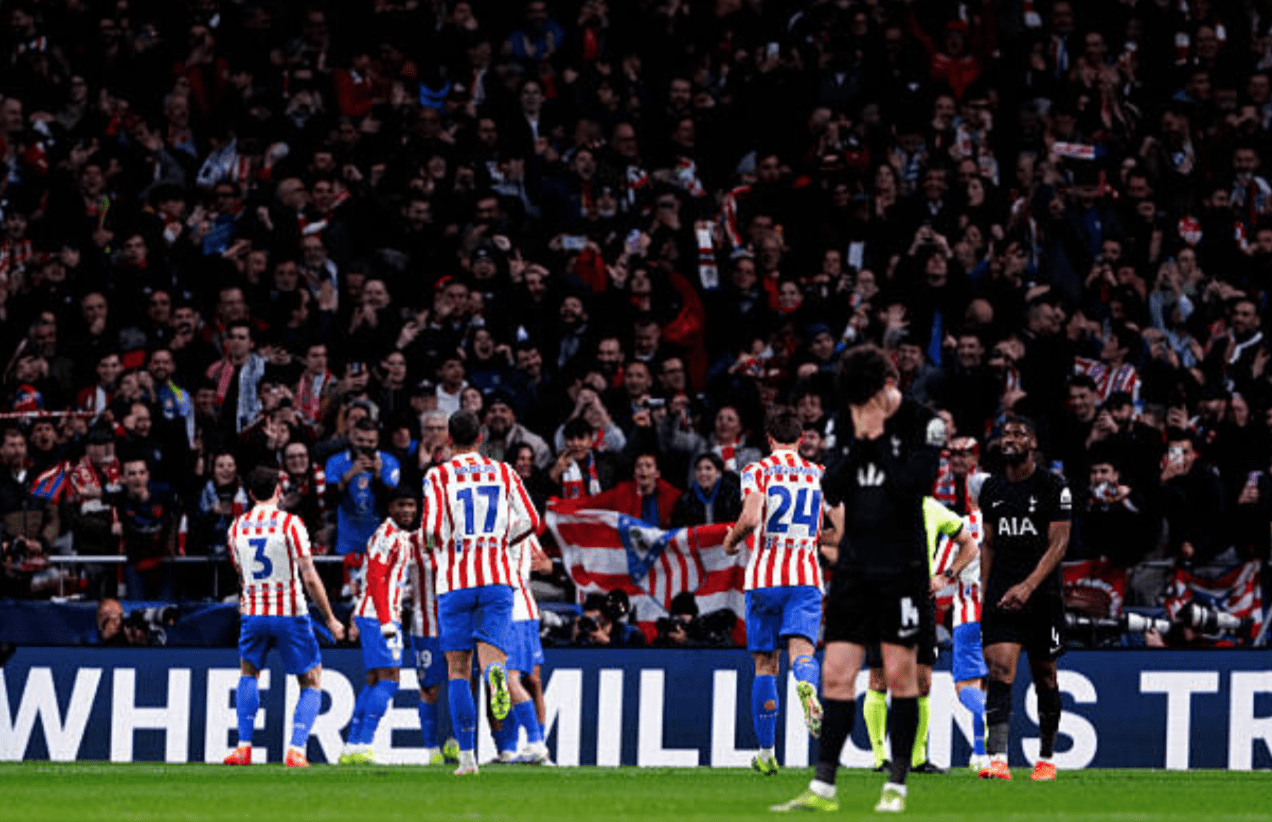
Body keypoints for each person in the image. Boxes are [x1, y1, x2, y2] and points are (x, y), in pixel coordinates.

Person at [775, 345, 943, 814]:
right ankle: (823, 787)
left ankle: (896, 785)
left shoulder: (924, 421)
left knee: (898, 675)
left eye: (865, 397)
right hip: (852, 567)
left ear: (889, 384)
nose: (860, 406)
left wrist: (873, 441)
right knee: (835, 674)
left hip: (902, 568)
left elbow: (914, 485)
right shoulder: (849, 418)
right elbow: (832, 486)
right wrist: (862, 440)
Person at [421, 410, 541, 775]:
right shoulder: (504, 472)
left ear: (448, 440)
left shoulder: (439, 474)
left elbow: (431, 529)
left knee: (458, 670)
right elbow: (532, 520)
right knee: (493, 663)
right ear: (480, 437)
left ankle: (468, 758)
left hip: (455, 582)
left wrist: (442, 550)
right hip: (498, 578)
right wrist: (501, 541)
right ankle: (495, 677)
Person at [722, 407, 826, 777]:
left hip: (765, 577)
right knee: (802, 651)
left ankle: (766, 752)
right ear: (801, 439)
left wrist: (731, 541)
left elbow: (750, 518)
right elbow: (838, 528)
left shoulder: (756, 471)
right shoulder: (818, 474)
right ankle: (807, 688)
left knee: (765, 664)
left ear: (769, 439)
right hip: (805, 575)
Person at [223, 467, 345, 767]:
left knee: (248, 673)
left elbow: (240, 573)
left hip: (253, 612)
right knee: (311, 679)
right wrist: (330, 618)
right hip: (289, 612)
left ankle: (243, 746)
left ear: (250, 494)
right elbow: (309, 576)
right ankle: (296, 749)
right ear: (278, 491)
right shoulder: (290, 524)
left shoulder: (236, 527)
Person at [978, 417, 1072, 781]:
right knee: (1000, 670)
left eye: (1018, 434)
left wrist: (1029, 587)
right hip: (1002, 592)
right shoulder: (990, 488)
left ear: (1032, 441)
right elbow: (987, 542)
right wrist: (985, 594)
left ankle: (1046, 758)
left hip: (1042, 595)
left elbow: (1059, 543)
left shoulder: (1053, 486)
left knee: (1045, 676)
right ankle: (998, 760)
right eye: (1005, 434)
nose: (1010, 440)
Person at [863, 497, 979, 774]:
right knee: (879, 677)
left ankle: (917, 758)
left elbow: (970, 545)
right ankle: (880, 758)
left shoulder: (932, 508)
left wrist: (945, 576)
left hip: (919, 601)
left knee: (923, 680)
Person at [340, 486, 418, 765]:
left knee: (374, 680)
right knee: (390, 680)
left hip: (375, 613)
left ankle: (352, 746)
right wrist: (386, 621)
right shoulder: (386, 536)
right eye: (401, 505)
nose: (407, 510)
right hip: (379, 616)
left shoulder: (400, 536)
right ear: (390, 508)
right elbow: (375, 578)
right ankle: (364, 743)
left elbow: (383, 579)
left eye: (411, 505)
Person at [492, 532, 552, 764]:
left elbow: (546, 565)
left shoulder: (518, 528)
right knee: (502, 683)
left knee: (518, 680)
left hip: (514, 614)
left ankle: (537, 743)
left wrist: (539, 564)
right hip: (513, 614)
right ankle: (511, 749)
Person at [324, 418, 401, 555]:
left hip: (380, 541)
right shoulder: (335, 461)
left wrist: (377, 475)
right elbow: (330, 499)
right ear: (351, 437)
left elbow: (391, 501)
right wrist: (350, 474)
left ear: (377, 442)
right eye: (360, 440)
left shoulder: (389, 462)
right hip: (347, 542)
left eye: (370, 442)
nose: (365, 445)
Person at [408, 527, 450, 766]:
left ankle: (457, 739)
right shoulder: (410, 540)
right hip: (425, 626)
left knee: (464, 680)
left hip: (457, 623)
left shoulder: (457, 534)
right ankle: (432, 749)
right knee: (430, 688)